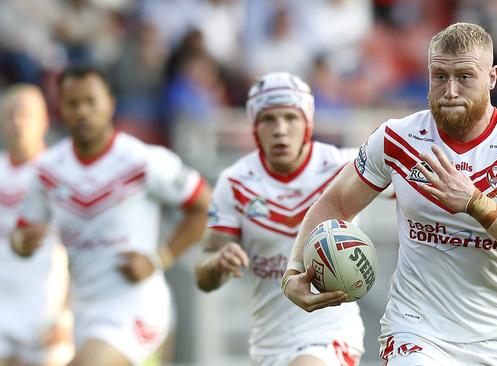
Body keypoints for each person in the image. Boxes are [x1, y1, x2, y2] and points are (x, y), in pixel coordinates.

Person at [283, 22, 497, 365]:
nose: (450, 90)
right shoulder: (398, 139)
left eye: (465, 76)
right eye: (439, 76)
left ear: (492, 78)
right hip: (414, 332)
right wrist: (293, 269)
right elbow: (335, 202)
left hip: (496, 342)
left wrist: (477, 204)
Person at [11, 65, 211, 366]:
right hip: (83, 311)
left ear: (110, 104)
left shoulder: (142, 160)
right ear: (60, 109)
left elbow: (205, 205)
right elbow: (20, 234)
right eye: (73, 103)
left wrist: (160, 258)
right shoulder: (48, 171)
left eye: (91, 102)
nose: (82, 112)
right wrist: (22, 244)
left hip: (137, 305)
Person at [195, 72, 365, 366]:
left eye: (291, 117)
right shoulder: (235, 183)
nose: (280, 130)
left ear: (307, 123)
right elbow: (204, 276)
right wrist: (218, 262)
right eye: (268, 119)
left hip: (330, 335)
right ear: (254, 128)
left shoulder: (344, 168)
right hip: (268, 345)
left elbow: (409, 184)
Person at [0, 85, 73, 366]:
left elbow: (79, 244)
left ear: (44, 121)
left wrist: (67, 312)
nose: (18, 122)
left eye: (26, 114)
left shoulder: (61, 174)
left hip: (45, 311)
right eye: (10, 115)